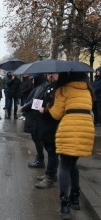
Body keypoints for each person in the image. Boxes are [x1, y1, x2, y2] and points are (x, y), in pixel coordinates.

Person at [46, 72, 95, 218]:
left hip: (69, 128)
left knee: (65, 166)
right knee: (73, 164)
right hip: (86, 129)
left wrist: (49, 105)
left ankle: (64, 205)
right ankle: (75, 199)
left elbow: (56, 114)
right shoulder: (87, 90)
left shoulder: (63, 89)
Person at [34, 73, 60, 189]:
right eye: (48, 74)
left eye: (52, 74)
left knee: (52, 150)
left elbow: (57, 107)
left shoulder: (59, 88)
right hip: (46, 122)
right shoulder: (49, 86)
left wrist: (45, 109)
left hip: (53, 123)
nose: (50, 76)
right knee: (49, 148)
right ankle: (49, 173)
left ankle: (51, 176)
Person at [21, 74, 47, 168]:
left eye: (33, 80)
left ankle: (40, 160)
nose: (32, 81)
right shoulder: (41, 86)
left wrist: (24, 108)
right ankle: (39, 158)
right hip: (35, 116)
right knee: (36, 138)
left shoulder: (40, 87)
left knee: (37, 138)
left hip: (35, 117)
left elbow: (35, 102)